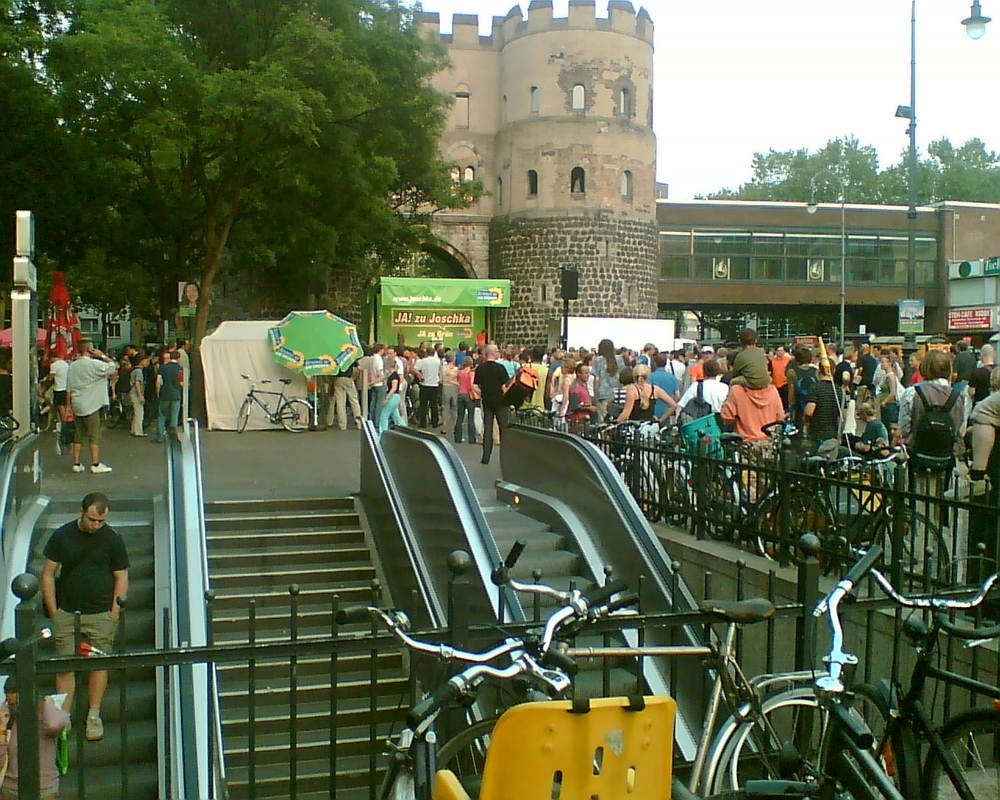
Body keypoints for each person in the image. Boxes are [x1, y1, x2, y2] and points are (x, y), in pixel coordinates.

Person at [40, 492, 128, 742]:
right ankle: (63, 716)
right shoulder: (62, 535)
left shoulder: (112, 539)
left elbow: (121, 576)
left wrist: (114, 613)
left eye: (100, 521)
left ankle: (93, 714)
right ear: (82, 512)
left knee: (98, 664)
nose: (96, 525)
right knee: (64, 664)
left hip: (100, 612)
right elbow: (47, 573)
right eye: (92, 520)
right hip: (67, 612)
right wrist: (54, 611)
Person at [0, 676, 71, 798]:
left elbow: (54, 725)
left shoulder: (48, 715)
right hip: (10, 789)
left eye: (17, 704)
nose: (15, 709)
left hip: (44, 788)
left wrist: (48, 703)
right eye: (10, 704)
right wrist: (2, 726)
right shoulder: (7, 721)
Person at [66, 338, 116, 474]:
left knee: (79, 433)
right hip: (92, 403)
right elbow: (113, 367)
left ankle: (76, 463)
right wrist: (102, 355)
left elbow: (69, 388)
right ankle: (95, 463)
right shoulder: (94, 364)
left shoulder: (72, 366)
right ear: (90, 349)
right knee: (94, 434)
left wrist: (68, 406)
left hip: (77, 403)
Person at [474, 344, 510, 465]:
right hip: (501, 402)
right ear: (494, 353)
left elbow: (475, 386)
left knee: (488, 428)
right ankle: (505, 457)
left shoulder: (480, 368)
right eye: (497, 351)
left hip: (487, 401)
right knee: (503, 429)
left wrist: (482, 393)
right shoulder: (500, 368)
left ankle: (485, 456)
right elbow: (504, 387)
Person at [720, 379, 784, 442]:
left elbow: (727, 418)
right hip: (769, 442)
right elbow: (780, 417)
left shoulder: (736, 390)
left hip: (744, 443)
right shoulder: (772, 390)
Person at [152, 350, 183, 443]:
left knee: (161, 415)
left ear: (170, 357)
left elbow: (158, 381)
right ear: (178, 358)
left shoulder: (163, 367)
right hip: (176, 395)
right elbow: (182, 383)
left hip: (164, 394)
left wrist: (158, 392)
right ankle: (172, 437)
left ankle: (159, 437)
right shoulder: (180, 369)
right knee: (174, 416)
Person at [591, 339, 624, 422]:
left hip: (603, 394)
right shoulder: (619, 359)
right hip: (617, 393)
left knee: (603, 420)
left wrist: (595, 396)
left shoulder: (598, 360)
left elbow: (597, 379)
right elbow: (622, 376)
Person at [413, 347, 442, 430]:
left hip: (425, 384)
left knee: (423, 405)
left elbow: (414, 369)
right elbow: (439, 371)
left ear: (426, 353)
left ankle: (423, 422)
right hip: (434, 385)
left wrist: (420, 375)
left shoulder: (423, 361)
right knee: (434, 405)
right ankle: (435, 422)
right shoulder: (438, 361)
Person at [377, 351, 406, 434]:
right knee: (396, 416)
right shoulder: (392, 374)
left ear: (388, 365)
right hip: (395, 397)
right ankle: (404, 429)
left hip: (393, 396)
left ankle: (383, 432)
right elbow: (383, 378)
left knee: (384, 415)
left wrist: (386, 398)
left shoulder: (393, 376)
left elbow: (393, 388)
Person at [332, 358, 363, 431]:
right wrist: (354, 378)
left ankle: (342, 425)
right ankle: (359, 423)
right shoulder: (350, 355)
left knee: (340, 403)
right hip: (348, 378)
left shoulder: (336, 355)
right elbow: (358, 368)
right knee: (354, 401)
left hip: (338, 379)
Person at [454, 357, 478, 444]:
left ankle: (457, 437)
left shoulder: (460, 372)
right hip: (469, 395)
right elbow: (472, 385)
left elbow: (458, 382)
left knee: (460, 417)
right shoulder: (471, 373)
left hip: (460, 394)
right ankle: (472, 439)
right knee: (470, 418)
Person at [129, 354, 148, 437]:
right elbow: (137, 383)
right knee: (140, 413)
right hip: (136, 394)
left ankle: (133, 430)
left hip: (132, 393)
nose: (147, 362)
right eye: (146, 361)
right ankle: (138, 431)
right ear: (141, 361)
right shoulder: (139, 371)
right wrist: (140, 395)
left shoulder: (134, 370)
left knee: (136, 413)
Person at [440, 354, 459, 436]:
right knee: (454, 408)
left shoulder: (443, 368)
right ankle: (455, 427)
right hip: (454, 388)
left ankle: (444, 427)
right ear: (453, 359)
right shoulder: (456, 369)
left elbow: (440, 380)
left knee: (445, 407)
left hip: (445, 388)